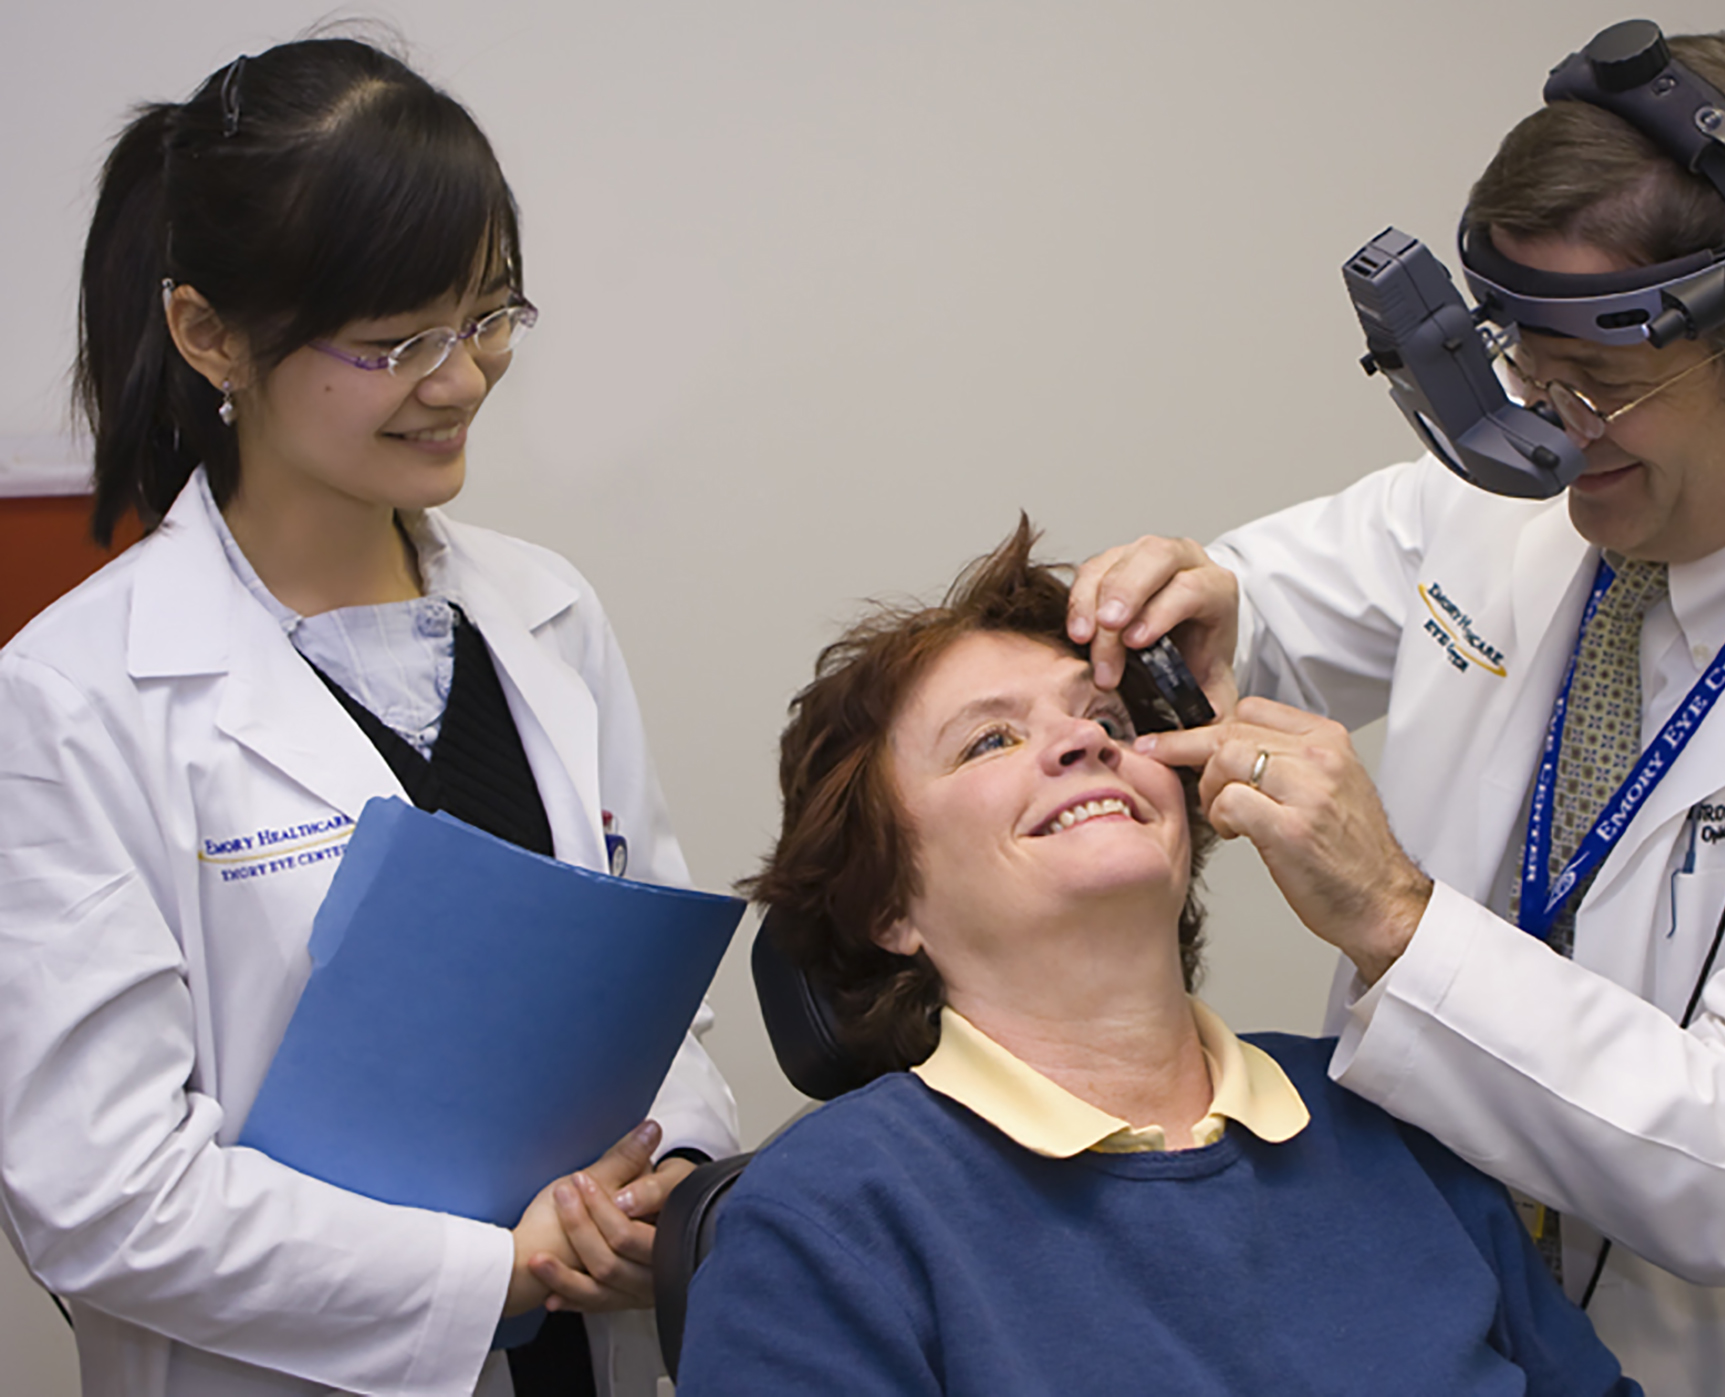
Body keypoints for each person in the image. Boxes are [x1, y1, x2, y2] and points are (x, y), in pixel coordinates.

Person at [1067, 23, 1725, 1397]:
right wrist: (1213, 604)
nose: (1545, 432)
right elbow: (1279, 606)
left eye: (1602, 386)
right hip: (1445, 1310)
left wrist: (1396, 917)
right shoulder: (1553, 484)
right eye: (1523, 364)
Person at [0, 38, 735, 1397]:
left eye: (489, 314)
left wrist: (670, 1180)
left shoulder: (548, 615)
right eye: (395, 339)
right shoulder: (74, 696)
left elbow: (655, 1006)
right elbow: (100, 1192)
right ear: (210, 334)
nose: (458, 379)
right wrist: (488, 1276)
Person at [672, 521, 1639, 1395]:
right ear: (887, 902)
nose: (1080, 743)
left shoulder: (1389, 1123)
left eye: (1110, 719)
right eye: (990, 740)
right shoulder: (827, 1219)